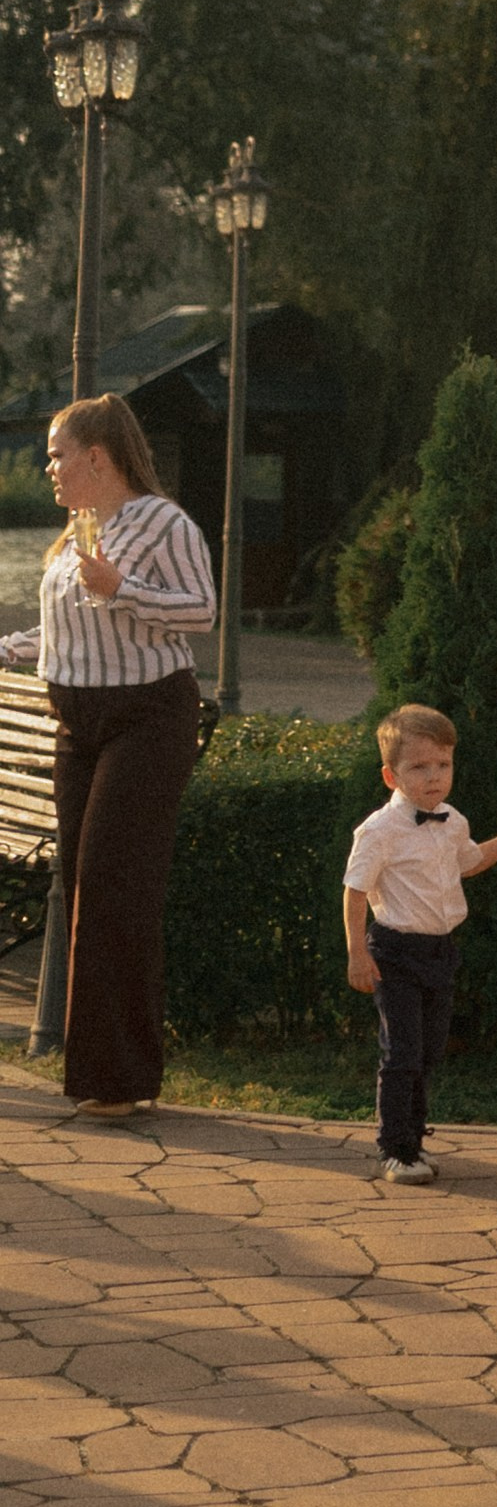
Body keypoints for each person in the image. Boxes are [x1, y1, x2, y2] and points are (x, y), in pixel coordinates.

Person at [7, 397, 215, 1115]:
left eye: (58, 454)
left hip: (147, 717)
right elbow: (67, 626)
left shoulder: (165, 522)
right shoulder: (76, 534)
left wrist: (122, 587)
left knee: (111, 886)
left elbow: (201, 609)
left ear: (99, 456)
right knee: (88, 888)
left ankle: (121, 1082)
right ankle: (101, 1077)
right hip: (79, 722)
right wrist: (8, 649)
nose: (50, 468)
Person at [342, 703, 497, 1187]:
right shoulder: (378, 831)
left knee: (428, 1051)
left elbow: (469, 862)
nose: (434, 776)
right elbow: (355, 891)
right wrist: (358, 954)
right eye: (419, 767)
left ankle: (414, 1139)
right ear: (390, 775)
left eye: (443, 765)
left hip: (440, 953)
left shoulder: (453, 820)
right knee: (401, 1052)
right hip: (394, 953)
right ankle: (395, 1149)